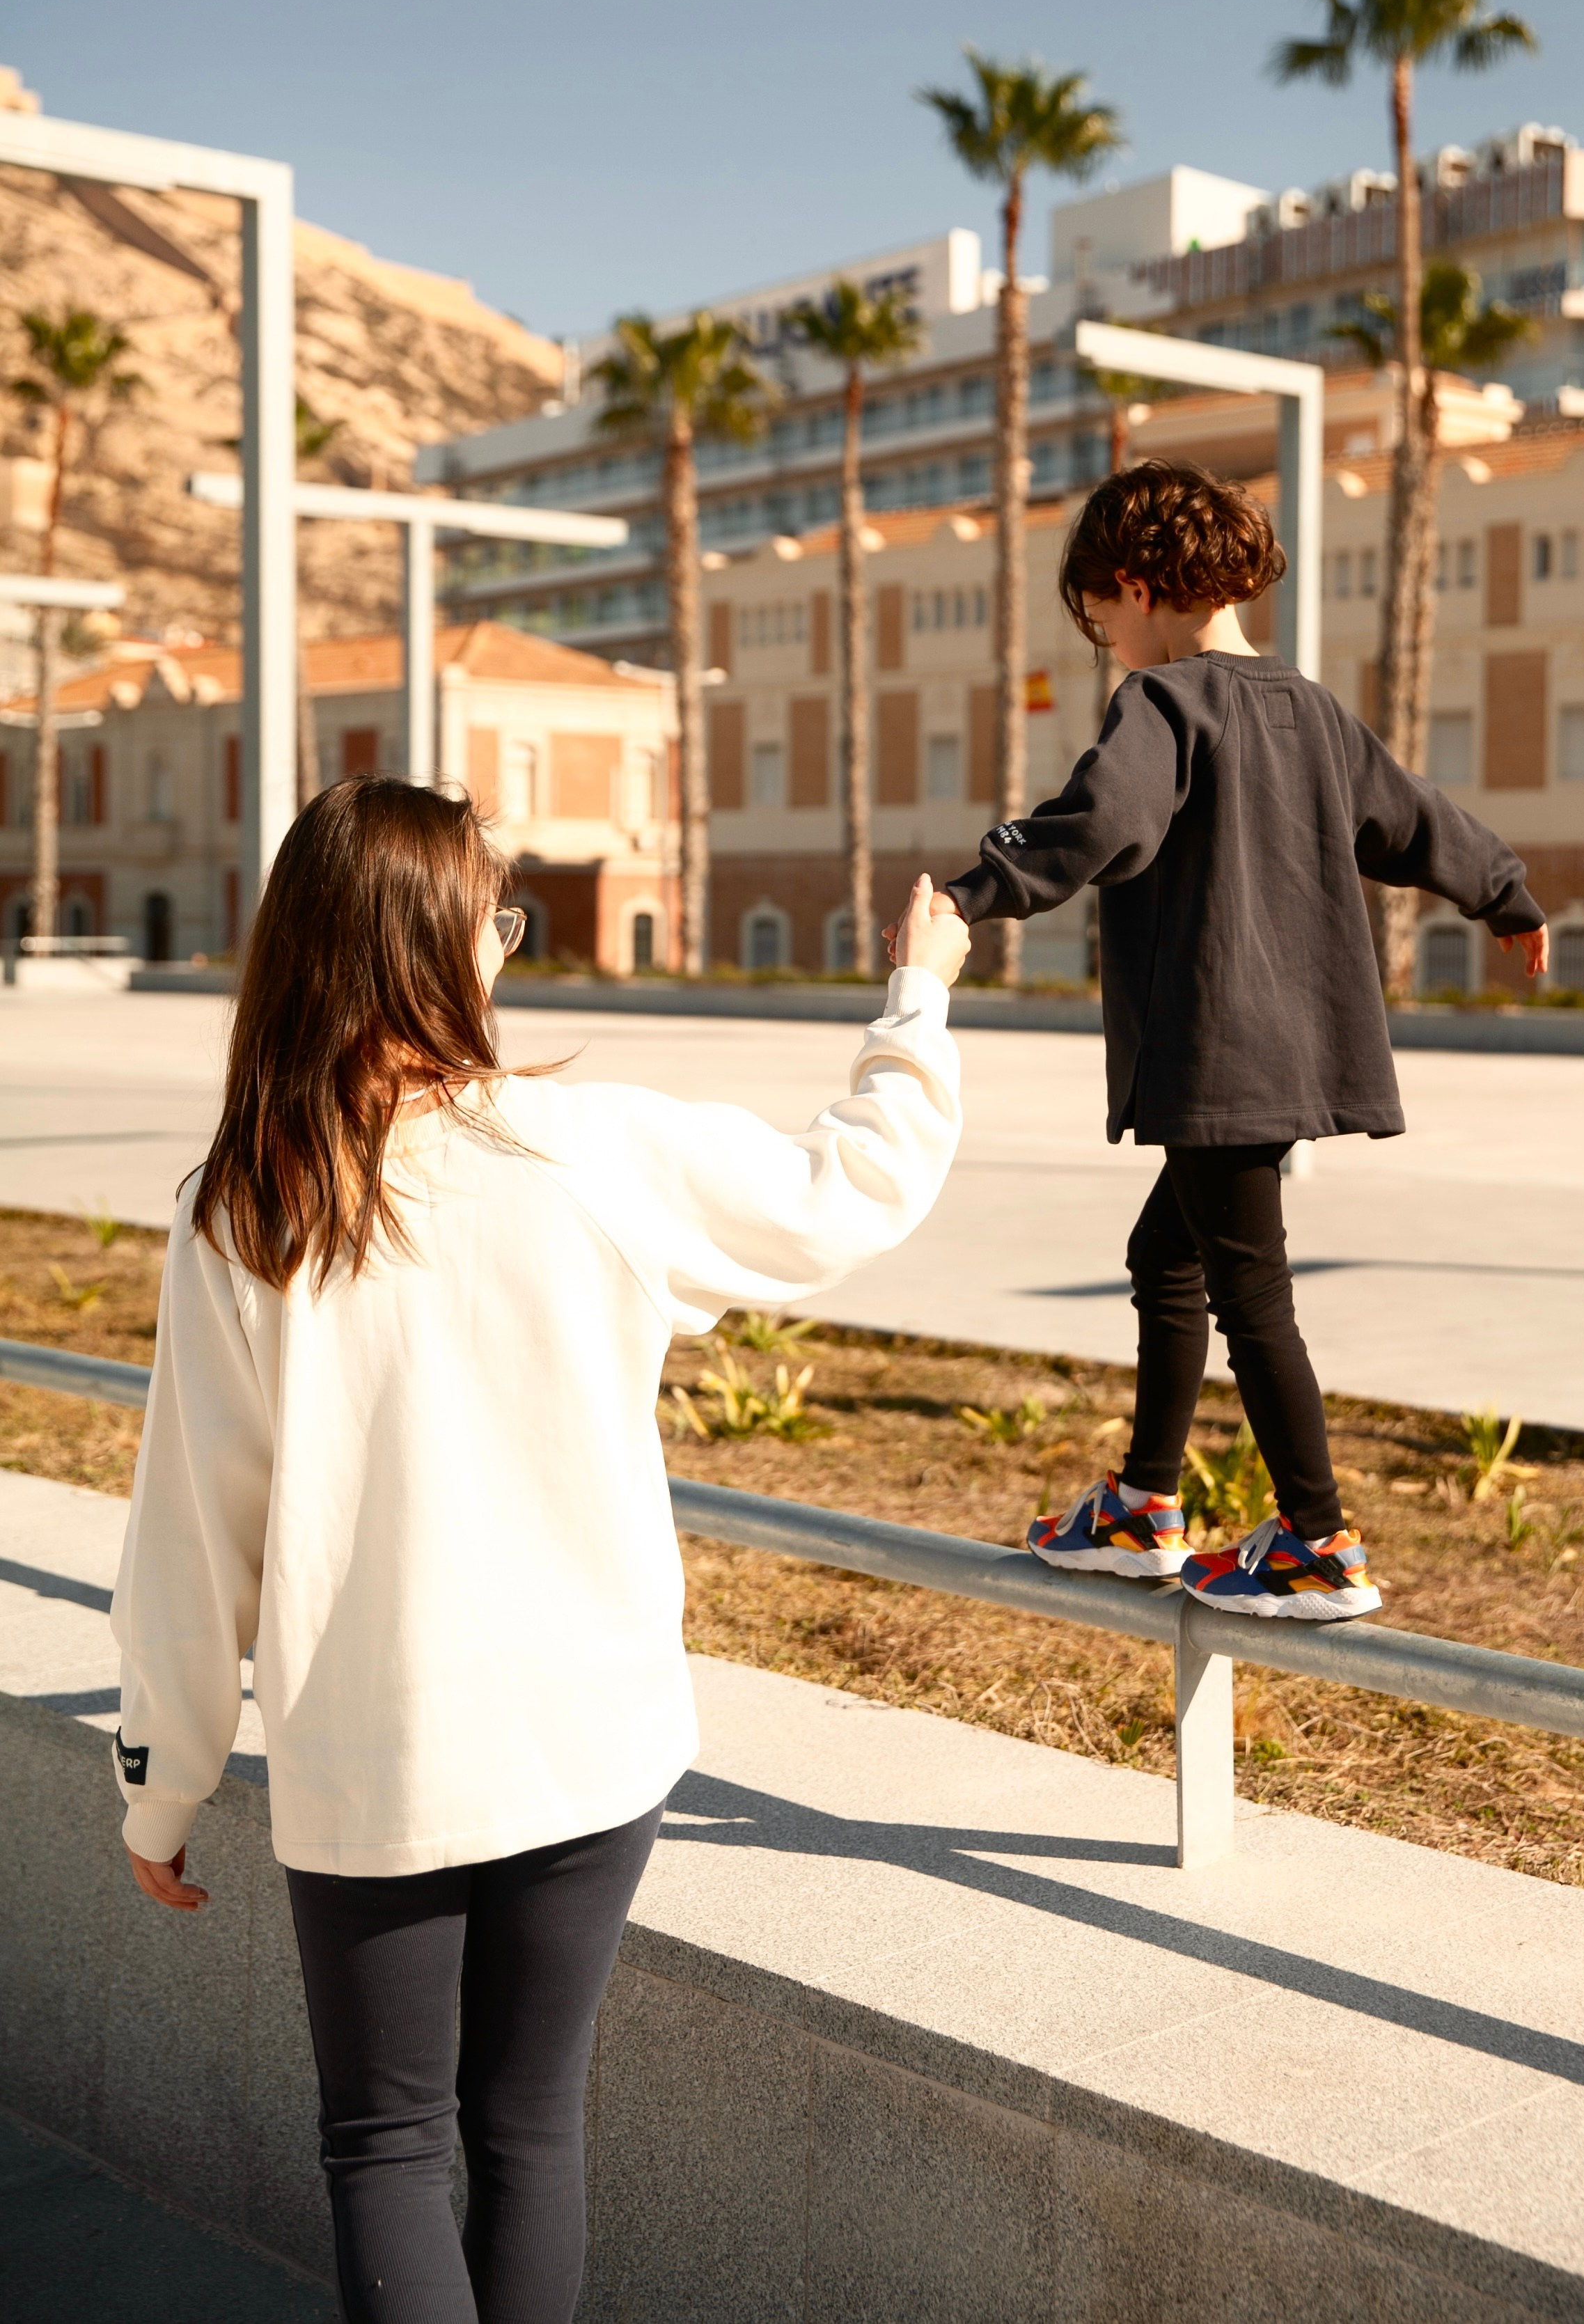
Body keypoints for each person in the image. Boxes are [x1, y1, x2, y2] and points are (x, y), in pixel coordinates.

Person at [111, 776, 969, 2324]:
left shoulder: (246, 1202)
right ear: (431, 948)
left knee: (388, 2139)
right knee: (527, 2126)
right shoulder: (592, 1151)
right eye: (491, 919)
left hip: (376, 1758)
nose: (504, 949)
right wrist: (918, 996)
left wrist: (163, 1782)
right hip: (590, 1738)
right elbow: (853, 1187)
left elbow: (193, 1535)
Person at [895, 459, 1546, 1621]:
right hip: (1293, 1051)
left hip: (1214, 1053)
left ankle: (1316, 1537)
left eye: (1100, 619)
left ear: (1138, 587)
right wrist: (1501, 888)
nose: (1105, 643)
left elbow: (1094, 821)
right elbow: (1411, 817)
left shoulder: (1163, 704)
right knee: (1170, 1259)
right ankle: (1145, 1502)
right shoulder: (1311, 708)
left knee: (1251, 1293)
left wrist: (969, 893)